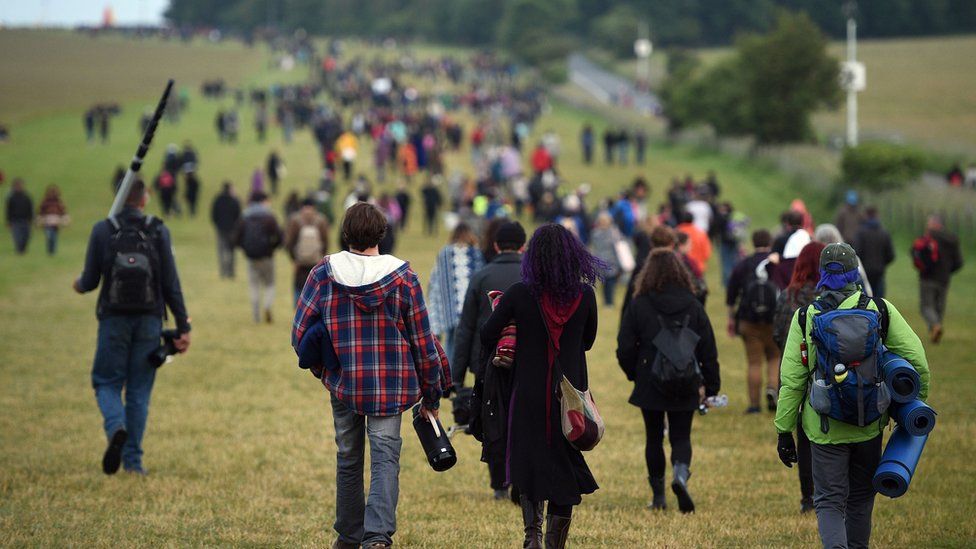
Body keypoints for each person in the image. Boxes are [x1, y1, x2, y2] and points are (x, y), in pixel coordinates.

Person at [292, 202, 449, 549]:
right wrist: (432, 395)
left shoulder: (323, 273)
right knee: (385, 458)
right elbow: (423, 342)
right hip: (391, 386)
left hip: (344, 381)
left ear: (346, 233)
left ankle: (349, 536)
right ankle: (377, 537)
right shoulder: (403, 275)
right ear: (382, 233)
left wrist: (324, 369)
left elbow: (300, 333)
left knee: (348, 457)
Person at [775, 243, 930, 549]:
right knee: (860, 499)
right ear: (854, 273)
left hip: (823, 428)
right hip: (868, 424)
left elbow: (792, 381)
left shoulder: (805, 317)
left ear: (822, 274)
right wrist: (914, 405)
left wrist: (783, 431)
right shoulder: (880, 310)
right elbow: (918, 362)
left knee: (830, 502)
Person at [481, 224, 602, 549]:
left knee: (529, 462)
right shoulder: (585, 295)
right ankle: (553, 544)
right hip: (570, 397)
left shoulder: (521, 293)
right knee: (565, 466)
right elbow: (587, 342)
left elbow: (486, 333)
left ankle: (532, 536)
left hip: (528, 393)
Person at [72, 179, 191, 475]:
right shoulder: (157, 229)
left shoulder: (103, 229)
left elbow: (89, 282)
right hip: (150, 319)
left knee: (107, 382)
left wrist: (77, 283)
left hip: (113, 318)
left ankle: (115, 427)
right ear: (144, 198)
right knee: (139, 391)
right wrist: (183, 324)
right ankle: (133, 462)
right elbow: (170, 283)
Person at [617, 249, 720, 513]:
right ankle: (681, 475)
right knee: (681, 436)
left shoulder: (639, 303)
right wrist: (711, 385)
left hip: (650, 378)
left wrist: (634, 373)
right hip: (686, 379)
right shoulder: (693, 304)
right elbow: (708, 347)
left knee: (653, 438)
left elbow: (625, 345)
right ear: (680, 272)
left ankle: (659, 496)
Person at [452, 221, 526, 500]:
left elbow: (466, 328)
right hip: (524, 358)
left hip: (487, 360)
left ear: (495, 245)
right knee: (521, 419)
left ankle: (499, 484)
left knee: (494, 418)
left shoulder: (481, 276)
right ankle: (520, 477)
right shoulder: (532, 276)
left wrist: (456, 375)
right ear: (523, 246)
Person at [771, 241, 825, 514]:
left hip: (796, 367)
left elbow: (778, 333)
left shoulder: (789, 296)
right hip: (828, 373)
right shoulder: (829, 296)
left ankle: (808, 496)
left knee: (803, 435)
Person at [726, 230, 780, 414]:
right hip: (774, 319)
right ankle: (773, 388)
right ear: (770, 242)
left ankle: (754, 405)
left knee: (754, 363)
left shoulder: (744, 264)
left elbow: (732, 293)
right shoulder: (776, 264)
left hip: (749, 320)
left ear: (753, 242)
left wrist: (731, 316)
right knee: (774, 357)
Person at [426, 224, 485, 359]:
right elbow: (481, 277)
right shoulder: (475, 253)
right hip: (470, 307)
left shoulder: (445, 252)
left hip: (449, 307)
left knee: (451, 340)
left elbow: (435, 279)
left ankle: (451, 374)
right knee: (468, 341)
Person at [234, 191, 282, 323]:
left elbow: (236, 238)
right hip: (267, 256)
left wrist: (245, 249)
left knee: (254, 285)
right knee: (270, 284)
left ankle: (256, 315)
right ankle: (267, 305)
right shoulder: (269, 216)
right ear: (263, 201)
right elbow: (279, 236)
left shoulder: (245, 216)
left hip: (251, 257)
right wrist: (272, 249)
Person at [914, 215, 964, 343]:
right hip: (944, 279)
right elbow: (959, 262)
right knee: (939, 307)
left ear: (934, 224)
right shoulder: (952, 239)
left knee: (926, 306)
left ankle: (935, 326)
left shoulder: (927, 237)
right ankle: (935, 332)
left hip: (927, 277)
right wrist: (948, 271)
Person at [284, 198, 330, 303]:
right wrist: (321, 256)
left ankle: (298, 311)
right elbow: (325, 241)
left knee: (298, 286)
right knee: (316, 286)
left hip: (300, 260)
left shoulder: (295, 220)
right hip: (316, 260)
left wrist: (294, 258)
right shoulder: (321, 220)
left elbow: (290, 242)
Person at [852, 207, 894, 298]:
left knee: (866, 299)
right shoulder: (884, 233)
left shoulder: (860, 233)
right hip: (879, 271)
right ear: (877, 216)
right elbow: (890, 255)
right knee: (879, 300)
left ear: (866, 216)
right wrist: (882, 264)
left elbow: (857, 252)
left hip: (865, 272)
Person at [589, 212, 624, 307]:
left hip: (611, 261)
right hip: (602, 262)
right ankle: (607, 302)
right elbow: (593, 247)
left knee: (610, 282)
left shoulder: (613, 232)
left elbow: (619, 247)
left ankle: (609, 301)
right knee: (605, 282)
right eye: (602, 221)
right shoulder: (596, 233)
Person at [211, 182, 242, 279]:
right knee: (231, 251)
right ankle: (231, 271)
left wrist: (217, 224)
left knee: (221, 250)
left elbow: (214, 214)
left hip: (220, 229)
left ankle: (223, 271)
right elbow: (238, 214)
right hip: (232, 229)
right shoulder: (234, 200)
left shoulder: (217, 200)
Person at [38, 184, 68, 255]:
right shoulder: (45, 202)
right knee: (49, 236)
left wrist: (65, 220)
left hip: (55, 223)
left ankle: (53, 251)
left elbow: (63, 211)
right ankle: (50, 250)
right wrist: (40, 220)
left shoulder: (59, 202)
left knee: (54, 237)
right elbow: (41, 211)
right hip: (47, 222)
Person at [6, 178, 33, 254]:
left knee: (26, 236)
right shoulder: (11, 198)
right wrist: (8, 221)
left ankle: (23, 249)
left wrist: (30, 218)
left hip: (25, 220)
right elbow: (8, 210)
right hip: (15, 221)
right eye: (17, 186)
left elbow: (30, 208)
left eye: (20, 185)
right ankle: (19, 251)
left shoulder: (27, 197)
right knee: (17, 237)